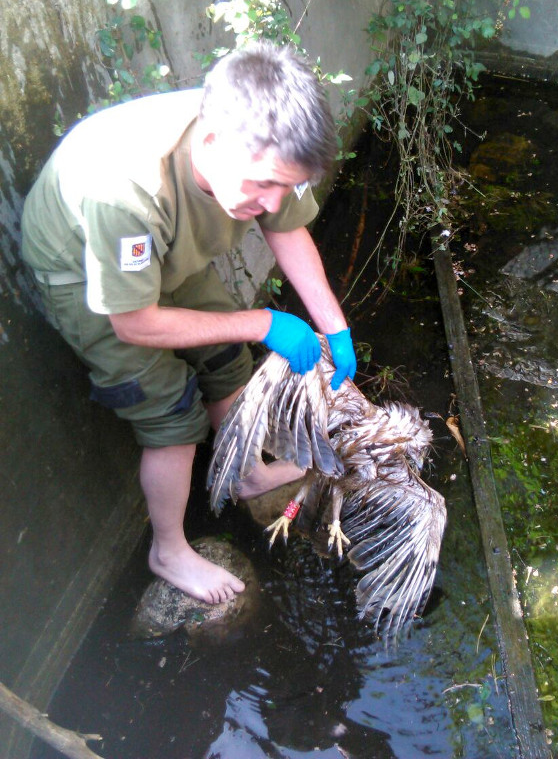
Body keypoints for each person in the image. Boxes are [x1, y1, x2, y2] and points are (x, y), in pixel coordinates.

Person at [21, 41, 357, 606]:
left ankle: (246, 473)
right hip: (86, 274)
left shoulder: (260, 141)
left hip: (161, 255)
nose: (271, 200)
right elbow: (134, 323)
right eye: (263, 185)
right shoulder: (126, 189)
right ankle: (169, 550)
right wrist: (264, 321)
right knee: (172, 410)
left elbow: (287, 226)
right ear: (211, 144)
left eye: (286, 185)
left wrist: (335, 326)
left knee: (227, 361)